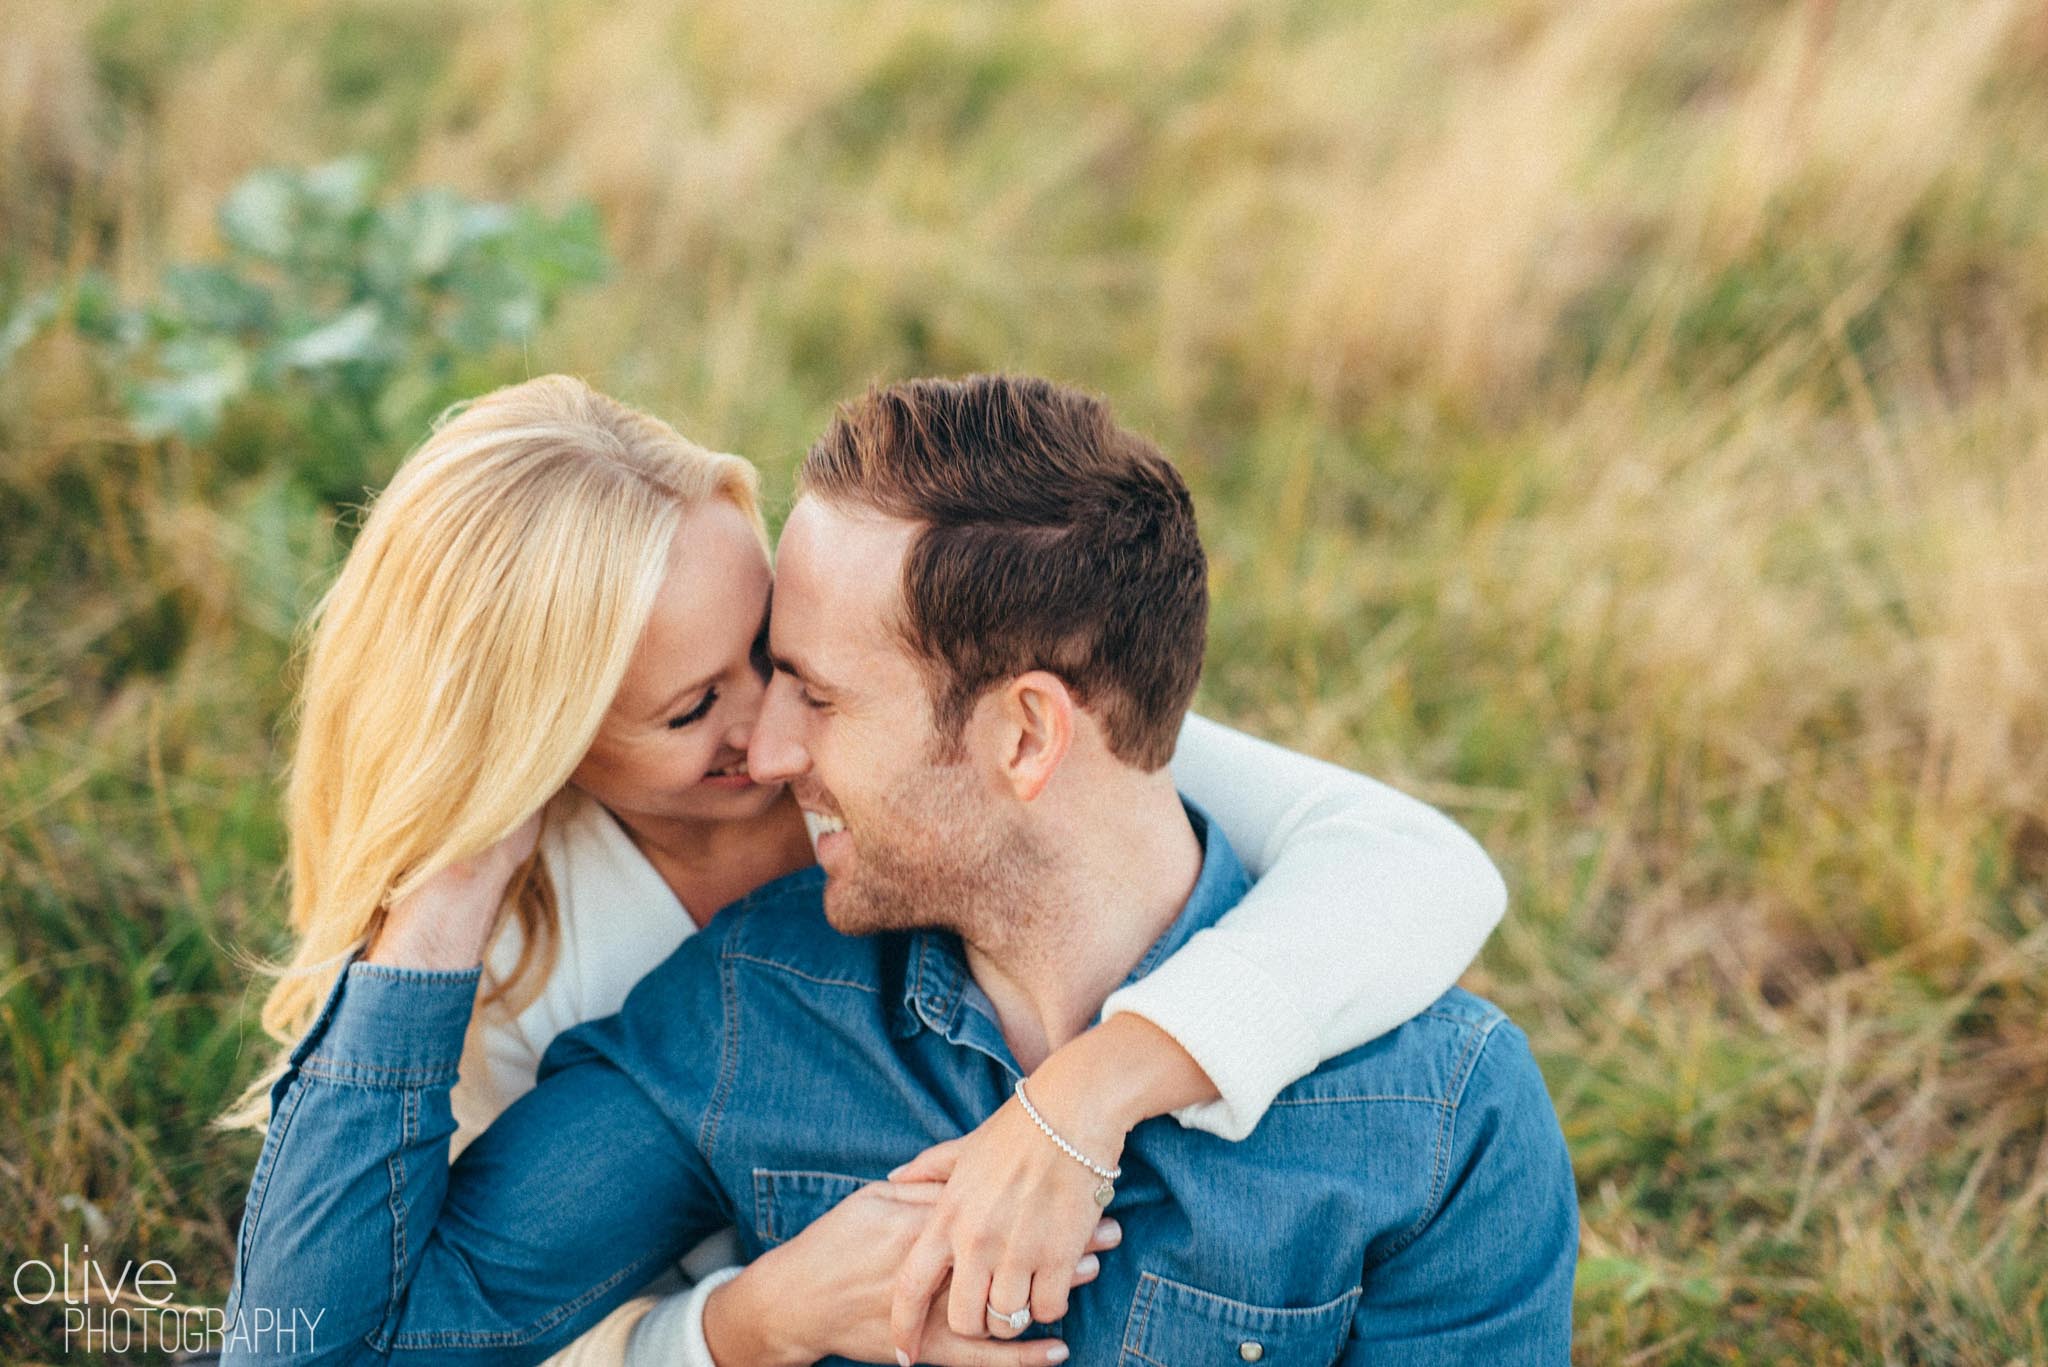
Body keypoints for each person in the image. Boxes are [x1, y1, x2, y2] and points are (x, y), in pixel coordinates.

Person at [224, 376, 1543, 1365]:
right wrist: (743, 1323)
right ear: (554, 752)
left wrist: (1081, 1100)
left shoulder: (1434, 1111)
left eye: (791, 667)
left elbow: (1403, 861)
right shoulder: (722, 1009)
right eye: (704, 708)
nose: (774, 748)